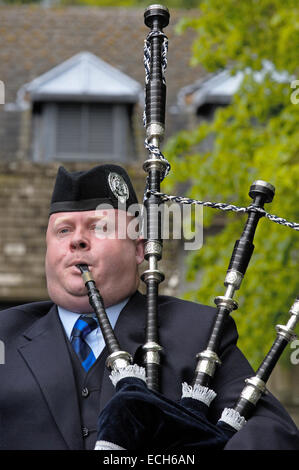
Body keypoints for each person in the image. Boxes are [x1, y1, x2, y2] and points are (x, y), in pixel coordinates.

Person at [0, 164, 298, 450]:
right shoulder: (4, 335)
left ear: (139, 248)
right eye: (63, 230)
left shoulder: (196, 331)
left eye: (100, 226)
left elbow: (271, 432)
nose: (77, 239)